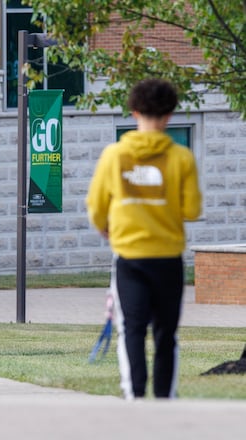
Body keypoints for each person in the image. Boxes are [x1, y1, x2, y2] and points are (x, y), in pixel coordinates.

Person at [86, 78, 202, 400]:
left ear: (134, 111)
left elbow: (96, 206)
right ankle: (165, 398)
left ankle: (135, 396)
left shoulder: (114, 155)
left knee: (132, 330)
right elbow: (192, 208)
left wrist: (104, 226)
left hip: (129, 258)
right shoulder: (181, 158)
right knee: (166, 335)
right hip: (167, 258)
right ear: (170, 114)